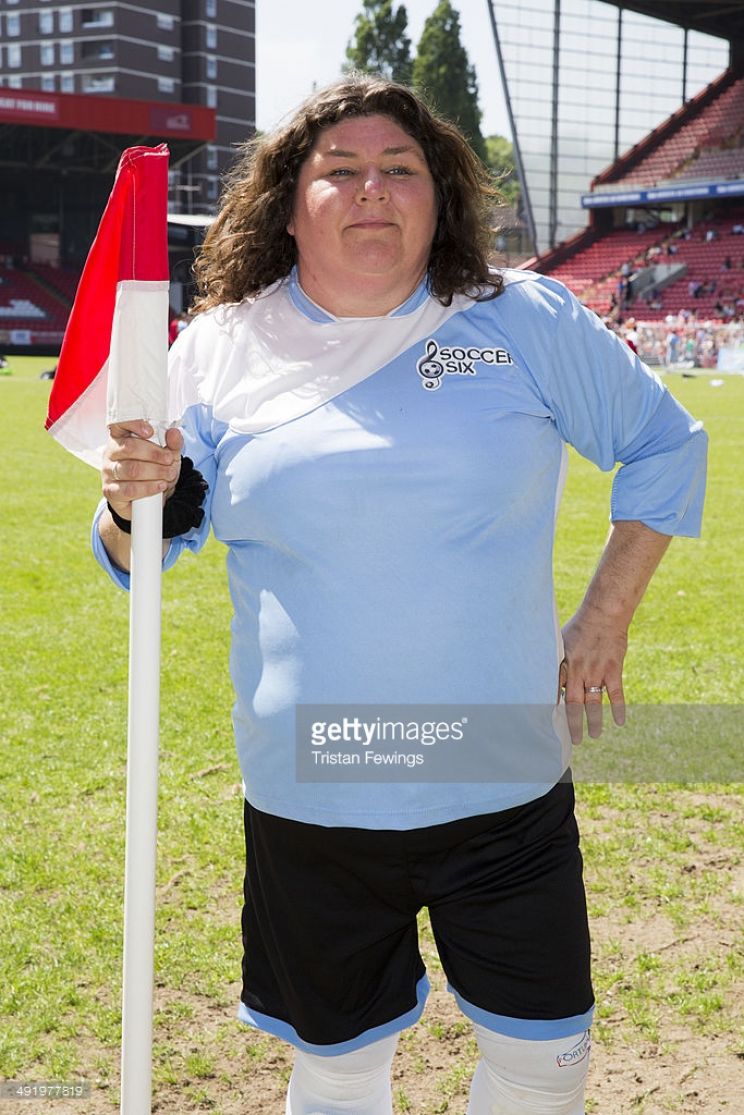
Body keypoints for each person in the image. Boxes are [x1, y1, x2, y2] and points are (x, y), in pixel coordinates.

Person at [93, 76, 707, 1115]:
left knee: (545, 1059)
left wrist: (603, 618)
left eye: (400, 169)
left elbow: (664, 444)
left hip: (501, 781)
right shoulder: (217, 351)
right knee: (338, 1067)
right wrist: (128, 503)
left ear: (442, 196)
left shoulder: (521, 318)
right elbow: (141, 547)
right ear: (289, 203)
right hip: (314, 791)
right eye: (339, 172)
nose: (371, 191)